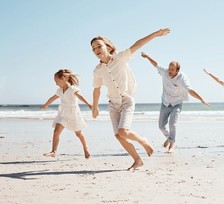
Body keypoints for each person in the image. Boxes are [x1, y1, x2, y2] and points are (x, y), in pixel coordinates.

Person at [91, 28, 170, 170]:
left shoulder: (120, 58)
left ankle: (143, 141)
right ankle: (137, 160)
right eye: (93, 48)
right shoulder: (97, 70)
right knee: (118, 136)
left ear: (107, 47)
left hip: (126, 101)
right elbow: (97, 89)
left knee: (123, 131)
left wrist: (155, 34)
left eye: (99, 46)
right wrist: (95, 106)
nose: (96, 49)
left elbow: (137, 45)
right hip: (113, 104)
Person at [141, 52, 209, 153]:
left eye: (172, 69)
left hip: (176, 103)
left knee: (172, 124)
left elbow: (190, 90)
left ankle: (172, 145)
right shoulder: (165, 72)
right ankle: (170, 138)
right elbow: (156, 64)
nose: (170, 71)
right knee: (161, 126)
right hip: (165, 102)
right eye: (169, 68)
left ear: (177, 70)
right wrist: (147, 57)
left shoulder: (182, 78)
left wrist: (201, 99)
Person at [41, 69, 93, 159]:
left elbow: (80, 97)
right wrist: (46, 105)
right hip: (63, 113)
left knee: (78, 134)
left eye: (56, 81)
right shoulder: (59, 90)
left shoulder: (73, 89)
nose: (56, 83)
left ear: (64, 78)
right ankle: (53, 151)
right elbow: (52, 98)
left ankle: (86, 147)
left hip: (73, 113)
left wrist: (88, 104)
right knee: (56, 131)